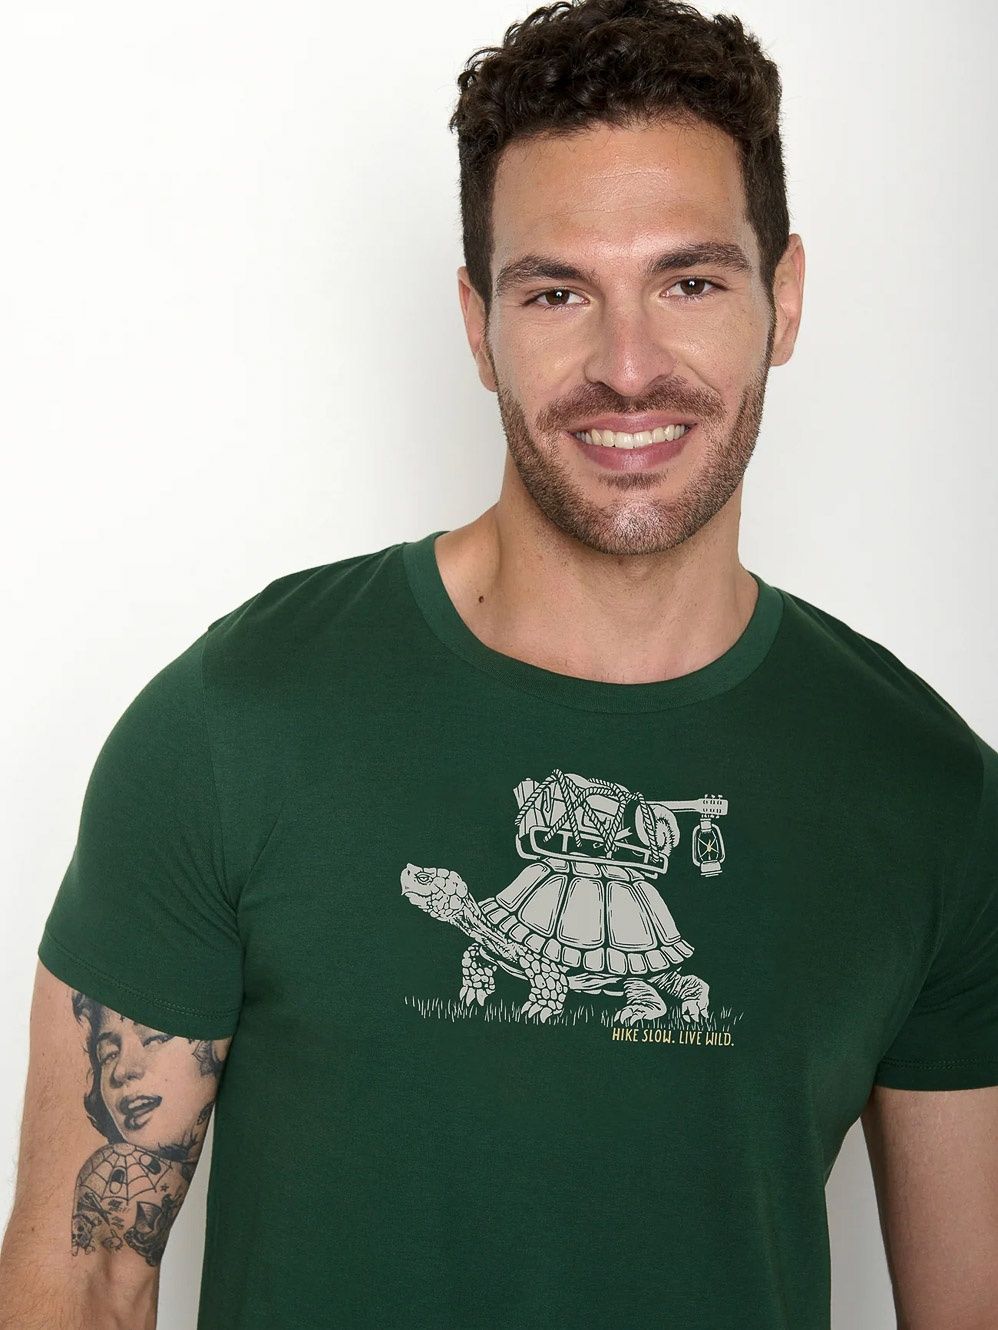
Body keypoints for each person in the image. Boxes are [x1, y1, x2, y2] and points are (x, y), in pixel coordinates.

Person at [1, 0, 996, 1326]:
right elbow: (81, 1274)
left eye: (690, 282)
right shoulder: (237, 725)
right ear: (478, 324)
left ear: (786, 298)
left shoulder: (930, 795)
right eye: (556, 292)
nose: (627, 367)